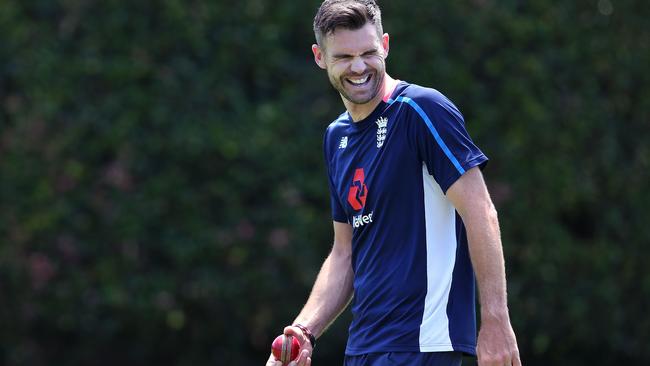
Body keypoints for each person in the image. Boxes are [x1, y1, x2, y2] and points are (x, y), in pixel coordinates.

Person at [266, 1, 521, 365]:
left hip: (425, 345)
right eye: (343, 57)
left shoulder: (421, 110)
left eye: (369, 52)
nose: (358, 67)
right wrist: (304, 330)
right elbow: (345, 254)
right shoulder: (336, 137)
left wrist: (496, 320)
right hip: (363, 348)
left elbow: (481, 212)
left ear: (385, 45)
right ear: (319, 57)